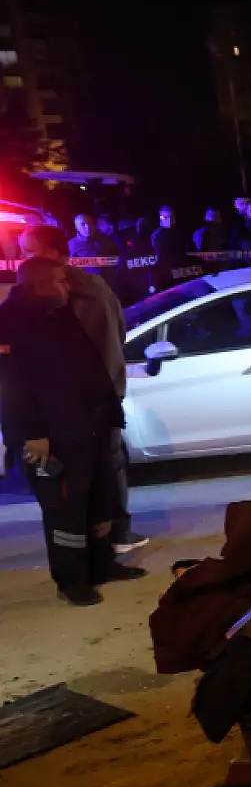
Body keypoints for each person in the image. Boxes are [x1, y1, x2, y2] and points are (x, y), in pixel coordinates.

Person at [0, 258, 147, 605]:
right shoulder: (9, 323)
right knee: (65, 509)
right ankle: (72, 581)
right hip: (50, 435)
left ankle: (101, 564)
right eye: (59, 282)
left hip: (87, 424)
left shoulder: (58, 312)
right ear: (38, 285)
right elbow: (10, 387)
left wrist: (109, 410)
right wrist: (34, 433)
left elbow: (86, 365)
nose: (67, 288)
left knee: (101, 499)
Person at [21, 225, 145, 553]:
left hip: (91, 399)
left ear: (50, 253)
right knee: (102, 465)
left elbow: (91, 349)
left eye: (29, 250)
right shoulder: (81, 285)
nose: (24, 258)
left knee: (101, 466)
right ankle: (108, 536)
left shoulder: (72, 292)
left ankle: (112, 536)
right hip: (95, 394)